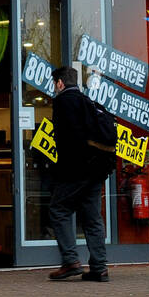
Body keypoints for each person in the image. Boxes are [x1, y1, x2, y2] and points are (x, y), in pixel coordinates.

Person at [47, 65, 116, 281]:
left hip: (76, 169)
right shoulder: (88, 102)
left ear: (60, 83)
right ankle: (99, 268)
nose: (54, 88)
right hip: (97, 169)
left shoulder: (63, 102)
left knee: (58, 209)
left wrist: (61, 170)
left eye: (54, 84)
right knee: (92, 217)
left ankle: (70, 261)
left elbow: (68, 140)